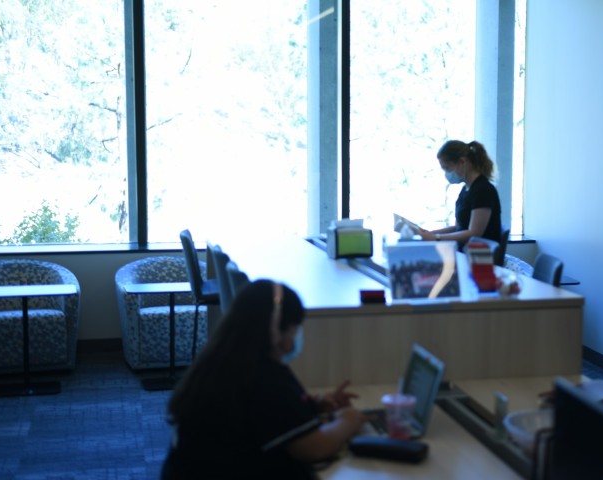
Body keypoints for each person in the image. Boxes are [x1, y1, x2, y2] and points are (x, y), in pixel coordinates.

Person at [161, 279, 369, 479]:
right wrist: (348, 420)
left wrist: (314, 407)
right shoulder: (263, 377)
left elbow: (263, 418)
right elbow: (315, 448)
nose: (297, 336)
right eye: (296, 328)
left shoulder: (224, 360)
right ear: (276, 329)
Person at [412, 140, 502, 250]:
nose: (446, 174)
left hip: (481, 259)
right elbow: (458, 228)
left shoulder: (483, 190)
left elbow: (474, 234)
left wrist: (436, 238)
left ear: (462, 162)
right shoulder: (466, 190)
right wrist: (429, 234)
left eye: (446, 168)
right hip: (465, 253)